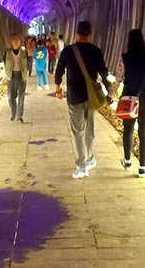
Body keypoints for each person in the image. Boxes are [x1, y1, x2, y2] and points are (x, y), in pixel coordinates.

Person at [53, 21, 110, 178]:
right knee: (89, 129)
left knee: (78, 132)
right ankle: (90, 158)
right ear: (90, 34)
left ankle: (82, 166)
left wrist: (57, 88)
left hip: (74, 96)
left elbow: (59, 70)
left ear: (76, 34)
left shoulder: (68, 50)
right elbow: (104, 73)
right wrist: (109, 93)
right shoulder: (96, 51)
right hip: (91, 97)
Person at [114, 29, 145, 177]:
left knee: (128, 130)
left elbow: (119, 77)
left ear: (129, 41)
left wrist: (111, 94)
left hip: (129, 98)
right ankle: (142, 168)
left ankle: (128, 161)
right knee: (143, 132)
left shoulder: (124, 58)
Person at [4, 36, 27, 122]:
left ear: (20, 42)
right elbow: (5, 63)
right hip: (11, 75)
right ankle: (13, 113)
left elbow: (27, 61)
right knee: (11, 97)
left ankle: (19, 116)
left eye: (18, 40)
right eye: (14, 40)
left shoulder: (24, 52)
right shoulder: (7, 53)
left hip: (21, 75)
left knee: (21, 96)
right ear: (11, 42)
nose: (16, 42)